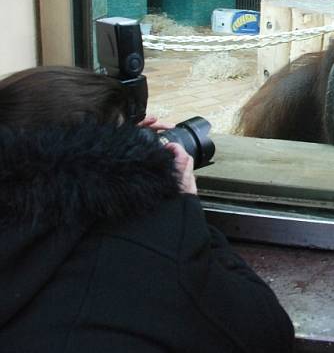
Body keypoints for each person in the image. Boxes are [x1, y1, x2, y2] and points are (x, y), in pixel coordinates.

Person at [0, 66, 295, 351]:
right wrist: (185, 206)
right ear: (105, 154)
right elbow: (270, 332)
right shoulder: (150, 248)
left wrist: (121, 153)